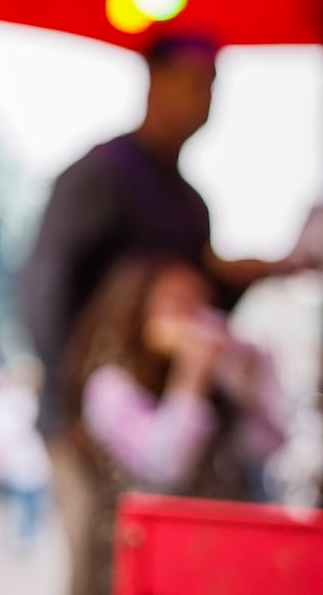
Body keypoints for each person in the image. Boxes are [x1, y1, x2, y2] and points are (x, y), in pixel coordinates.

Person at [20, 32, 300, 437]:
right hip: (93, 418)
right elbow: (46, 284)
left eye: (212, 85)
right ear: (155, 80)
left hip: (164, 420)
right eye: (194, 82)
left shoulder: (192, 206)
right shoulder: (102, 175)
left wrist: (242, 279)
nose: (205, 99)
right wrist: (72, 401)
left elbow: (197, 311)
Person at [57, 253, 287, 595]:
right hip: (148, 559)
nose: (194, 315)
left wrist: (251, 383)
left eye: (200, 302)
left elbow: (270, 446)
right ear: (138, 308)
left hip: (220, 558)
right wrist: (191, 375)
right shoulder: (110, 385)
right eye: (178, 302)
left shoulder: (219, 375)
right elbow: (165, 465)